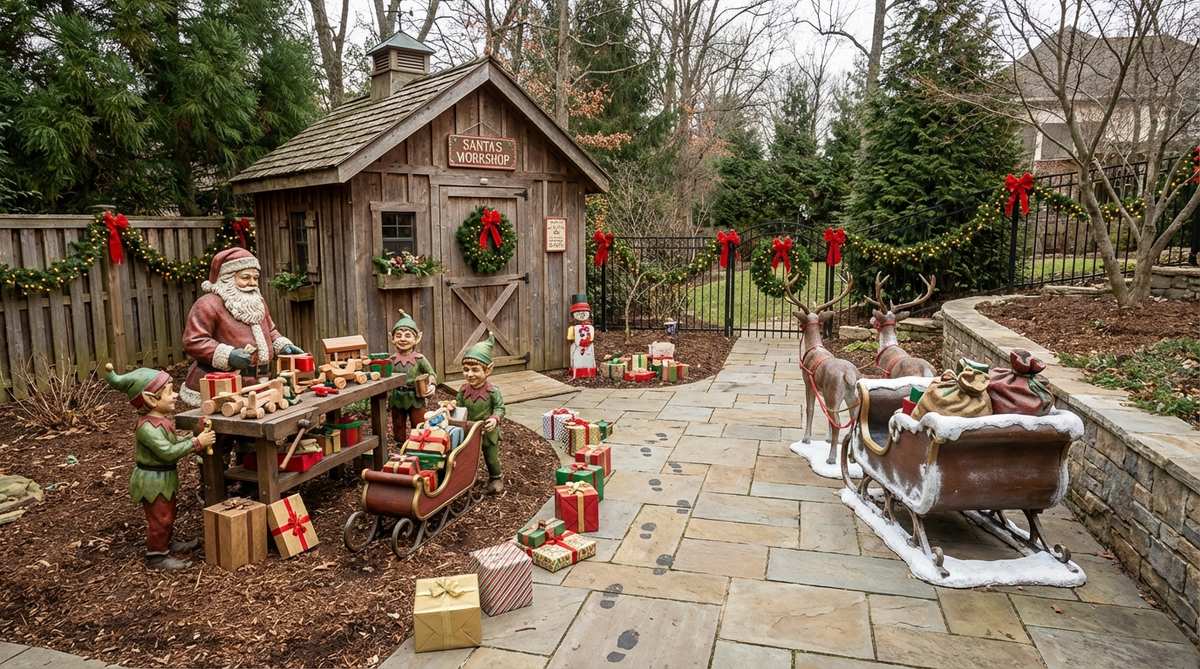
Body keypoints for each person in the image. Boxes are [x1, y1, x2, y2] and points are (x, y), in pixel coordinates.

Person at [104, 363, 216, 570]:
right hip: (152, 480)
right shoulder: (147, 428)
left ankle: (166, 544)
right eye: (169, 392)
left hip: (164, 478)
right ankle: (156, 556)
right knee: (160, 518)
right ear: (150, 399)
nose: (175, 396)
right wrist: (197, 442)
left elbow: (173, 442)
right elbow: (168, 451)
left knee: (168, 514)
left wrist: (194, 433)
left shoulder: (161, 421)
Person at [179, 247, 303, 407]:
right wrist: (228, 355)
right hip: (222, 386)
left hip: (259, 381)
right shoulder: (207, 304)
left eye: (255, 278)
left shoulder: (258, 302)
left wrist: (282, 345)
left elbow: (270, 330)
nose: (252, 283)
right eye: (245, 277)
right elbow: (194, 341)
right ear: (227, 278)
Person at [450, 334, 506, 493]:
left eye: (475, 370)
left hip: (487, 431)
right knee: (466, 455)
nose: (469, 374)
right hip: (468, 430)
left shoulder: (492, 391)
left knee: (491, 457)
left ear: (488, 370)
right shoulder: (462, 390)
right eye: (466, 370)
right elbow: (460, 408)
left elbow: (500, 408)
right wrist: (452, 408)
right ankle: (466, 478)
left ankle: (496, 478)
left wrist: (495, 419)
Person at [389, 309, 437, 444]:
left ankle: (419, 445)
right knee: (398, 424)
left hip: (415, 397)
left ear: (417, 338)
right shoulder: (391, 360)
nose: (403, 339)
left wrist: (432, 384)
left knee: (419, 423)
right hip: (397, 397)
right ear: (392, 338)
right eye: (398, 335)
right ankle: (400, 447)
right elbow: (384, 377)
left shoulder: (420, 359)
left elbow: (432, 373)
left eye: (407, 335)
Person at [565, 293, 596, 379]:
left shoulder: (590, 327)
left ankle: (590, 372)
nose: (582, 314)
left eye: (584, 312)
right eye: (578, 312)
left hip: (588, 346)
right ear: (573, 314)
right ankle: (577, 372)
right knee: (577, 358)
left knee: (589, 358)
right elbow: (570, 338)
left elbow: (591, 338)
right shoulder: (572, 328)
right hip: (577, 347)